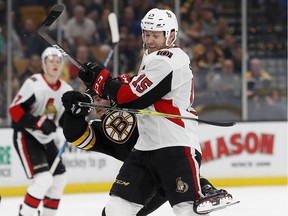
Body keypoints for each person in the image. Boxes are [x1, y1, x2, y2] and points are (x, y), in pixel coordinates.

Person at [77, 8, 233, 216]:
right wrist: (104, 83)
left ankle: (201, 186)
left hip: (174, 146)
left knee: (187, 211)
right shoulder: (153, 57)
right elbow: (136, 88)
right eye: (147, 34)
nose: (150, 40)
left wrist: (102, 81)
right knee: (116, 209)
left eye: (155, 35)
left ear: (170, 35)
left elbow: (132, 99)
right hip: (145, 148)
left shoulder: (169, 59)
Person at [61, 91, 234, 215]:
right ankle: (204, 188)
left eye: (99, 99)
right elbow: (76, 136)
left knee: (178, 182)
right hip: (145, 177)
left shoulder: (139, 109)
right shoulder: (104, 131)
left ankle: (205, 188)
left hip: (168, 163)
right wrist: (74, 115)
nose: (95, 106)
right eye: (92, 101)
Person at [9, 47, 73, 216]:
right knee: (43, 180)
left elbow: (65, 120)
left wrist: (77, 116)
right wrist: (38, 122)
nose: (55, 63)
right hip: (26, 136)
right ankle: (27, 213)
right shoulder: (34, 84)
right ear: (44, 64)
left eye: (58, 61)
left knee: (60, 180)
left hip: (47, 138)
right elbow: (15, 111)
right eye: (51, 60)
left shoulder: (66, 90)